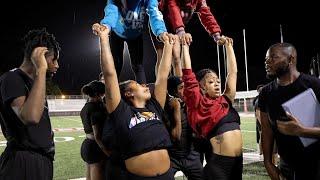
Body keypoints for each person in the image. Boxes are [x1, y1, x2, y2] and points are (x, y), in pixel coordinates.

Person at [92, 23, 176, 179]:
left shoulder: (154, 107)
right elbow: (110, 74)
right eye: (138, 84)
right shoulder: (121, 112)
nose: (144, 85)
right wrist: (104, 39)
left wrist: (168, 46)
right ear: (129, 93)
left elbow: (163, 75)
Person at [0, 28, 60, 180]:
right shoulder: (12, 78)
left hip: (38, 161)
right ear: (40, 55)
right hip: (23, 162)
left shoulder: (33, 83)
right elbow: (31, 117)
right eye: (53, 59)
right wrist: (41, 69)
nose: (57, 65)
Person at [181, 36, 243, 180]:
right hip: (220, 165)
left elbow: (232, 73)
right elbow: (187, 74)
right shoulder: (197, 103)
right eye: (211, 82)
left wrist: (228, 46)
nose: (217, 84)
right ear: (201, 86)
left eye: (218, 81)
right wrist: (184, 46)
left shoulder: (225, 100)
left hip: (237, 162)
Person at [259, 43, 320, 180]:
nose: (267, 62)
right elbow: (267, 131)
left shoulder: (315, 85)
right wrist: (268, 164)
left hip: (316, 164)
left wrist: (301, 131)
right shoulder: (266, 93)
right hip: (287, 168)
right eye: (266, 59)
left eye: (273, 57)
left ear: (291, 59)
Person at [100, 0, 174, 84]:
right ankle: (107, 91)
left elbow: (154, 13)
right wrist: (106, 25)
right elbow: (111, 11)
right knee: (115, 65)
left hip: (136, 35)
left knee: (138, 66)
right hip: (117, 33)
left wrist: (161, 32)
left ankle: (143, 91)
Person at [165, 76, 204, 179]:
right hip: (172, 157)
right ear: (173, 91)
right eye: (181, 88)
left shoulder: (190, 105)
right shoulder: (167, 108)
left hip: (191, 155)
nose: (185, 90)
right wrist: (176, 108)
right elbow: (176, 137)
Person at [80, 80, 110, 180]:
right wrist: (107, 152)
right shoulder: (96, 108)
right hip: (95, 147)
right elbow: (97, 136)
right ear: (98, 94)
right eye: (103, 94)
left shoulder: (85, 107)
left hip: (87, 144)